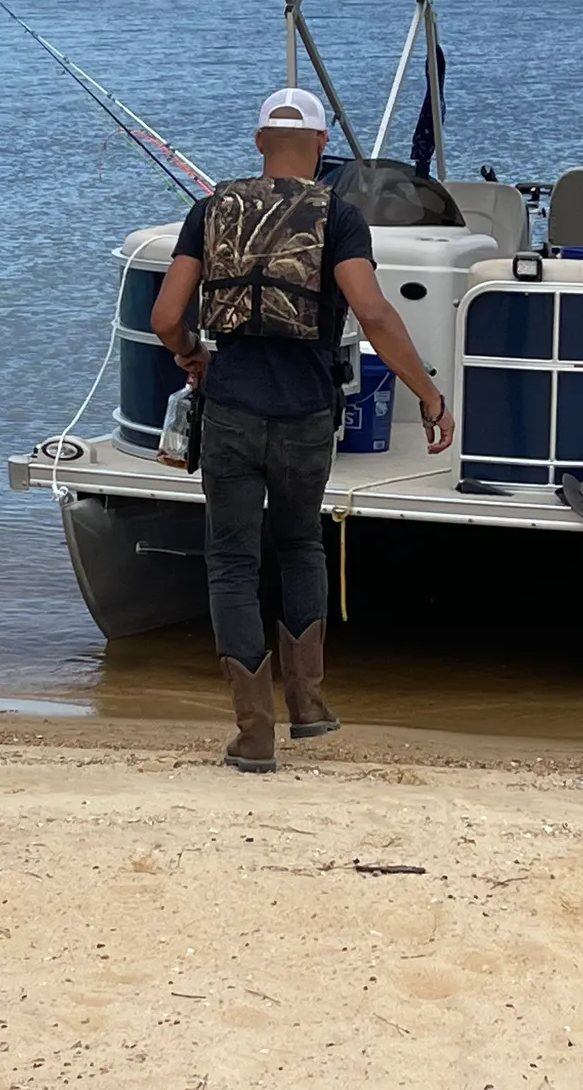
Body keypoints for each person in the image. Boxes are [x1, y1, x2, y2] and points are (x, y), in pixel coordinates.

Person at [150, 87, 454, 773]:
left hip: (229, 408)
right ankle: (309, 705)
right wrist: (429, 396)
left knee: (231, 562)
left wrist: (192, 353)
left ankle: (254, 734)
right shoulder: (341, 217)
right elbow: (373, 314)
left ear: (258, 142)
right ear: (321, 148)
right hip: (308, 412)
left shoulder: (210, 211)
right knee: (298, 546)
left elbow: (167, 315)